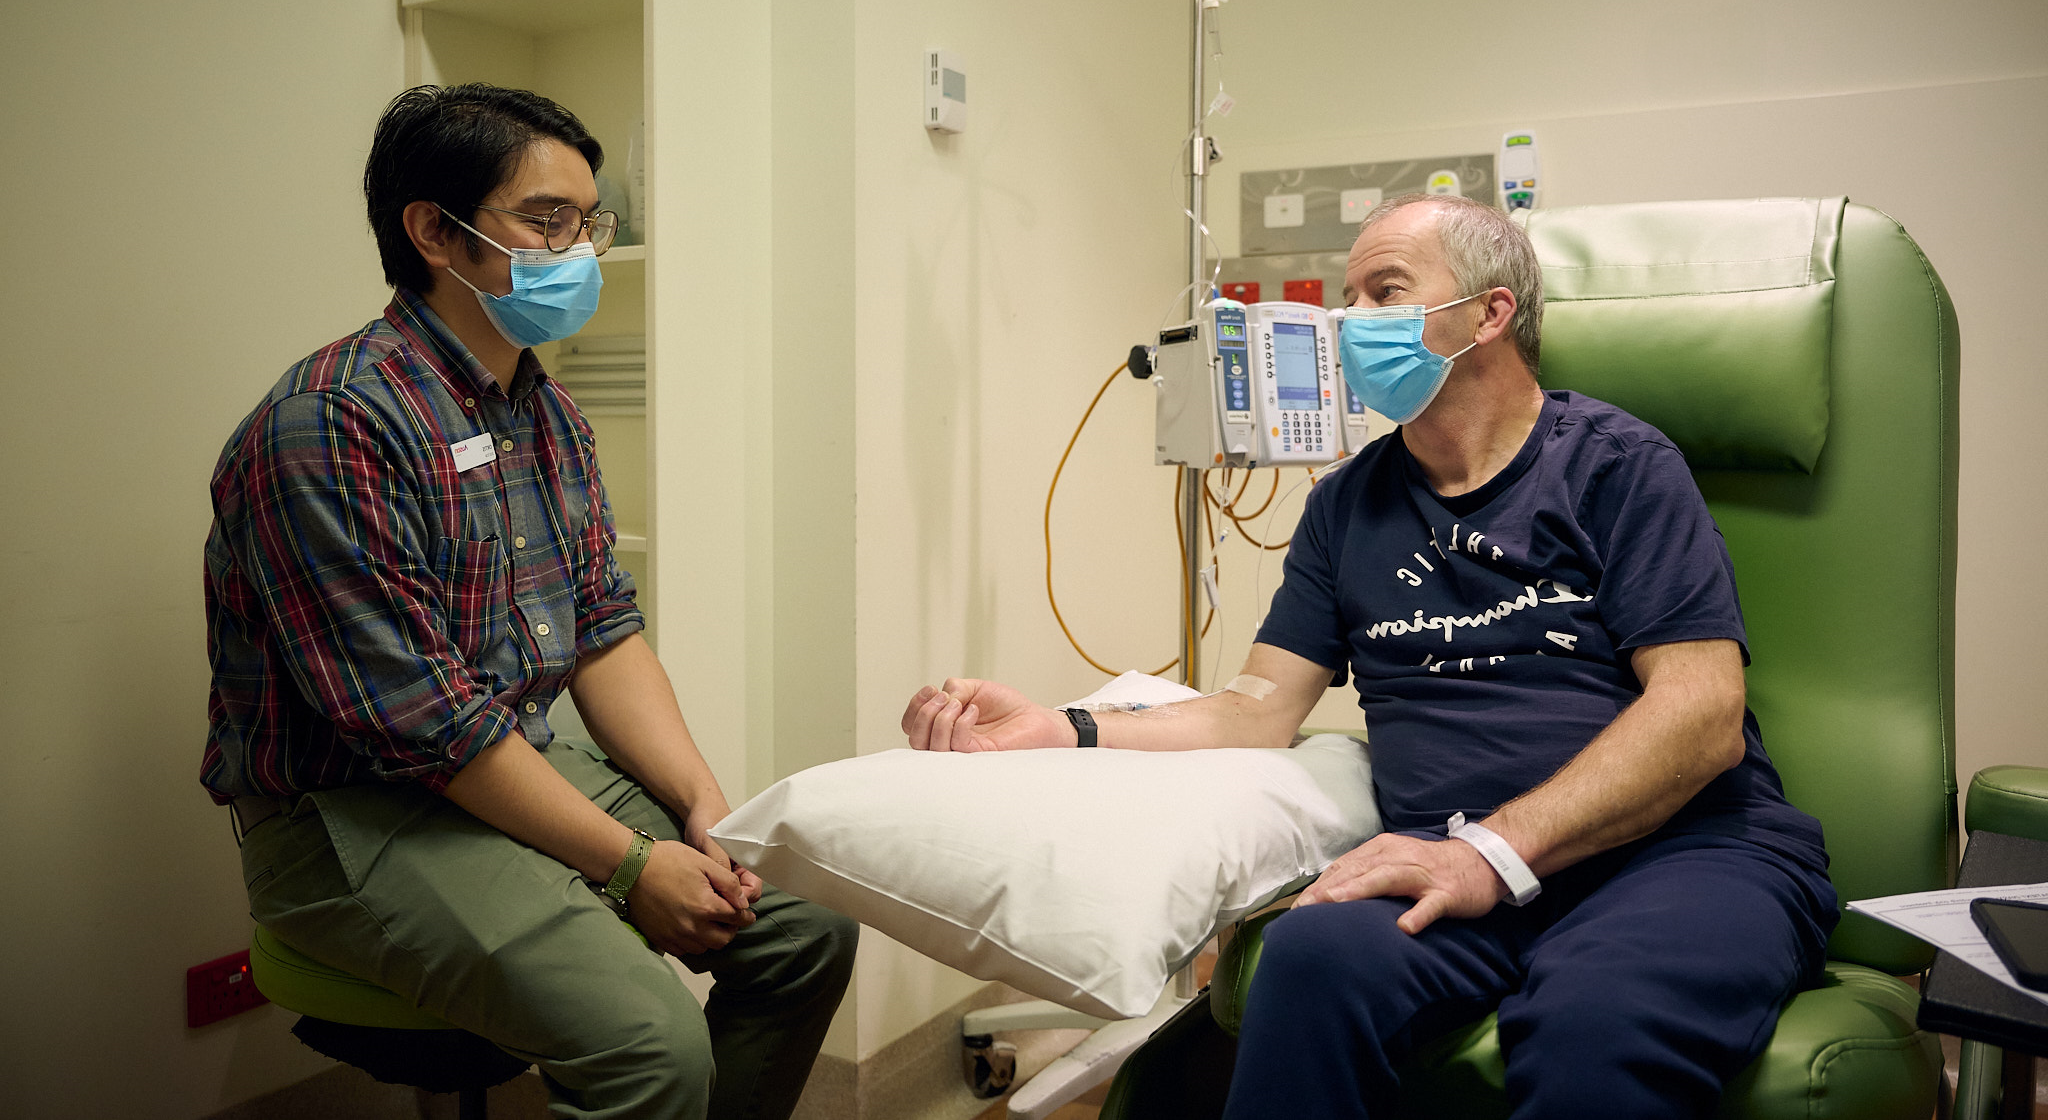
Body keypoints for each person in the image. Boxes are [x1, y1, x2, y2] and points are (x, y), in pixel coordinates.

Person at [900, 193, 1835, 1118]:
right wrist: (1059, 726)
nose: (1349, 322)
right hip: (1449, 865)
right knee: (1308, 963)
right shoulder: (1345, 508)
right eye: (1345, 298)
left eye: (1384, 292)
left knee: (1596, 1029)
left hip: (1678, 854)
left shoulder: (1617, 466)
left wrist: (1492, 850)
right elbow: (1256, 707)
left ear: (1488, 314)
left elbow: (1701, 713)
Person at [203, 84, 855, 1120]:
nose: (578, 251)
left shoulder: (544, 412)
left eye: (589, 222)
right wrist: (634, 865)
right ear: (434, 232)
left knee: (804, 932)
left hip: (513, 759)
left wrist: (702, 805)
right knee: (652, 1048)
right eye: (547, 220)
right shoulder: (328, 425)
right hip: (357, 812)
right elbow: (426, 724)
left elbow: (603, 630)